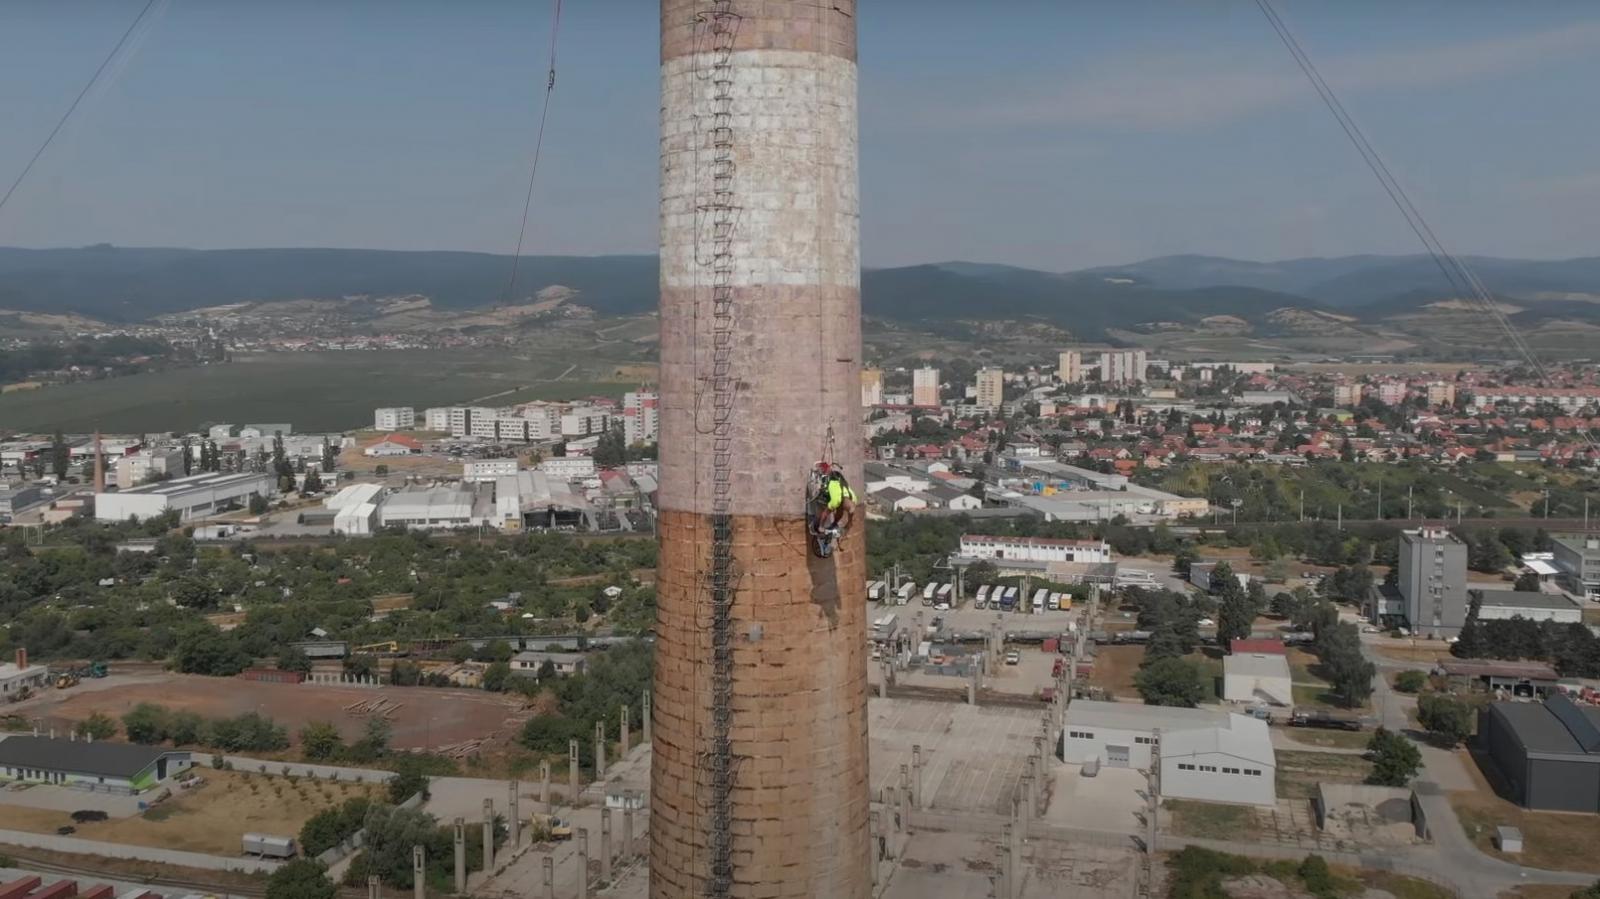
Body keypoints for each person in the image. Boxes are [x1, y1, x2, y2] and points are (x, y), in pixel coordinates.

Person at [815, 469, 857, 536]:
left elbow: (850, 515)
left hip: (840, 484)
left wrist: (848, 525)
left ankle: (834, 524)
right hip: (832, 483)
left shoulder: (853, 499)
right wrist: (821, 527)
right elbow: (826, 513)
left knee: (840, 511)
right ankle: (820, 526)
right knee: (825, 505)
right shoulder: (836, 501)